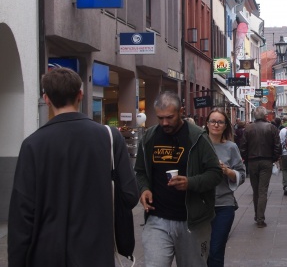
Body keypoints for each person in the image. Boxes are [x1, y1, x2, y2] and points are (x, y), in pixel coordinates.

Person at [8, 68, 139, 267]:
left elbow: (22, 214)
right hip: (96, 252)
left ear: (47, 98)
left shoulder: (32, 144)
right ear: (80, 95)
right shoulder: (109, 137)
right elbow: (129, 194)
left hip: (47, 254)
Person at [134, 91, 223, 267]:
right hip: (157, 219)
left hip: (192, 221)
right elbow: (140, 171)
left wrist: (190, 183)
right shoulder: (149, 137)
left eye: (169, 117)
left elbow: (215, 173)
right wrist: (144, 189)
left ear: (181, 111)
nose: (164, 123)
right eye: (160, 118)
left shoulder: (198, 137)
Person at [205, 108, 246, 267]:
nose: (216, 125)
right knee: (201, 250)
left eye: (220, 122)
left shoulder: (231, 147)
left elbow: (242, 174)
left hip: (224, 205)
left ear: (225, 126)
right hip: (200, 206)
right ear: (207, 124)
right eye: (213, 121)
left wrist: (227, 171)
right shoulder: (198, 145)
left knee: (216, 250)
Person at [239, 106, 282, 228]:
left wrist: (247, 159)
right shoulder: (272, 128)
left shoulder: (248, 129)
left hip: (252, 161)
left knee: (255, 189)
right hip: (266, 161)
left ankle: (257, 215)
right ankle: (260, 218)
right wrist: (273, 158)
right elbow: (277, 146)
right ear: (265, 116)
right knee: (263, 190)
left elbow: (243, 147)